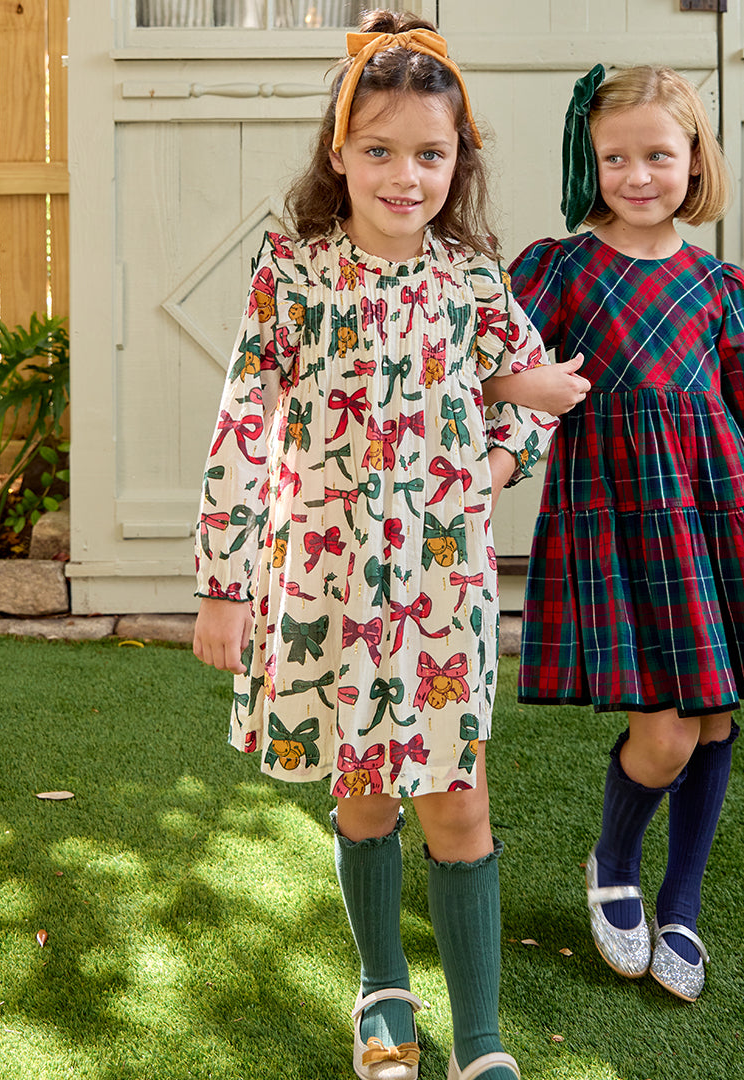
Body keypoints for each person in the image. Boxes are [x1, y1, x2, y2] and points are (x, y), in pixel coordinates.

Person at [192, 12, 587, 1080]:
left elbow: (537, 397)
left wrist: (490, 465)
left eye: (429, 153)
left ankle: (485, 1040)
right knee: (364, 795)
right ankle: (381, 993)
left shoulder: (471, 281)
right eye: (379, 149)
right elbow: (242, 419)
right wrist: (224, 585)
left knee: (459, 802)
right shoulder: (295, 274)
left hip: (442, 588)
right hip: (323, 577)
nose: (404, 174)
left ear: (457, 164)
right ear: (338, 150)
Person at [506, 64, 744, 1002]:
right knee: (666, 737)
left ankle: (681, 900)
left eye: (658, 153)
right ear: (590, 160)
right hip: (616, 521)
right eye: (616, 157)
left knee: (716, 713)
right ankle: (612, 858)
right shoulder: (561, 269)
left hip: (721, 521)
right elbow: (494, 366)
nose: (638, 174)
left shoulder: (720, 285)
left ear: (694, 159)